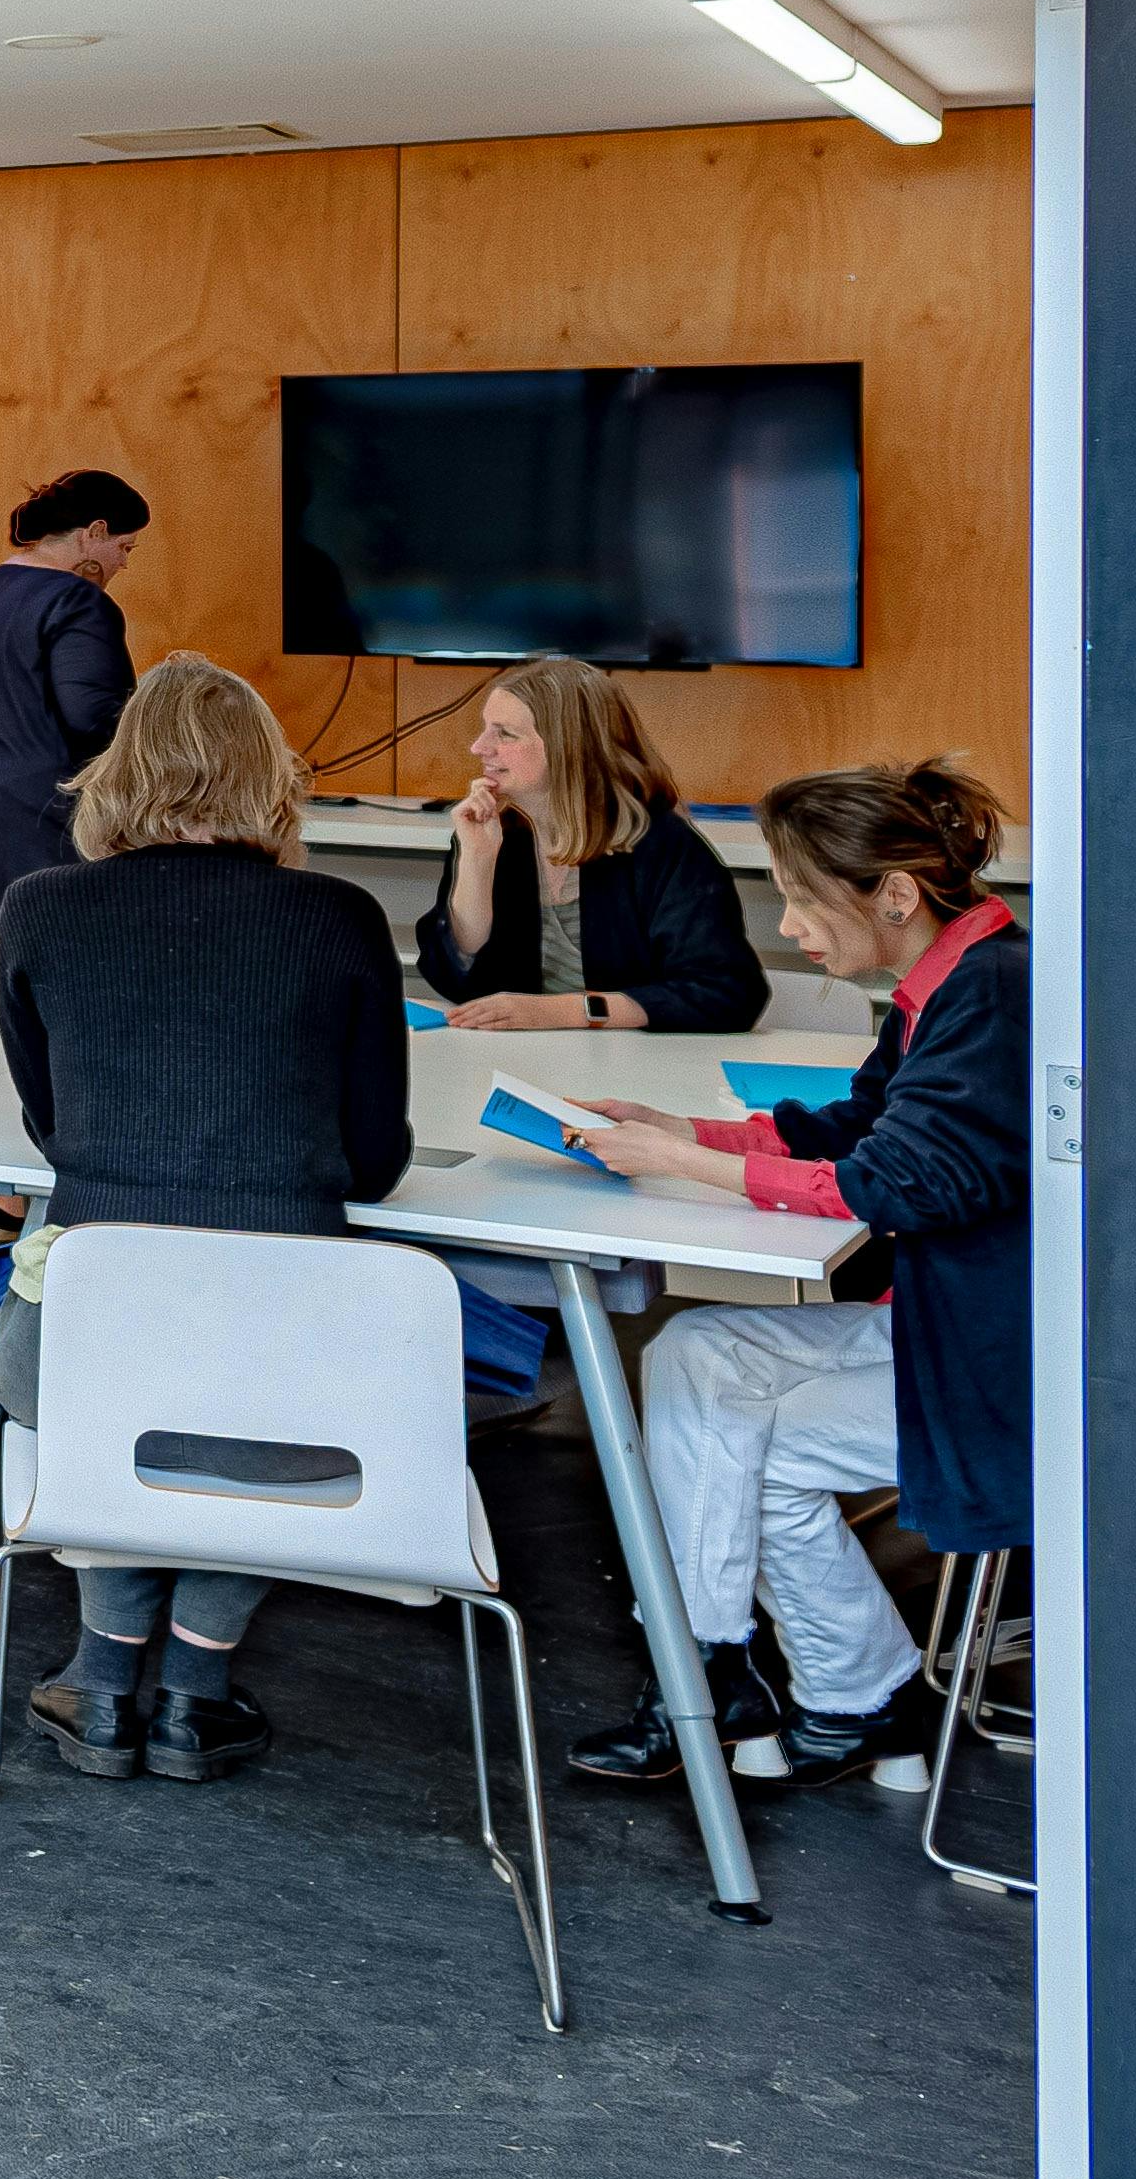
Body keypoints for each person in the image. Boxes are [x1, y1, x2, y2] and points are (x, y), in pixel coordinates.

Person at [551, 757, 1026, 1794]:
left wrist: (686, 1164)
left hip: (999, 1372)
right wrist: (687, 1129)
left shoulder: (990, 998)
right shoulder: (948, 984)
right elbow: (858, 1127)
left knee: (737, 1448)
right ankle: (778, 1681)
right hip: (945, 1328)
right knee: (692, 1346)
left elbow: (888, 1184)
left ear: (892, 896)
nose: (790, 931)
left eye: (804, 901)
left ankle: (757, 1679)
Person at [0, 653, 416, 1785]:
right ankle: (193, 1687)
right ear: (269, 783)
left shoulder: (35, 910)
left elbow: (48, 1123)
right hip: (284, 1355)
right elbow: (372, 1161)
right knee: (252, 1409)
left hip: (79, 1341)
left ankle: (97, 1678)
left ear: (114, 777)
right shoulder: (338, 917)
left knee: (118, 1402)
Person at [418, 655, 760, 1034]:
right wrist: (476, 863)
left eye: (505, 733)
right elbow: (454, 980)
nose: (479, 747)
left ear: (569, 746)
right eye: (485, 729)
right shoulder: (495, 833)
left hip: (634, 1069)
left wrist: (568, 1011)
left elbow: (727, 992)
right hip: (517, 1061)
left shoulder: (663, 846)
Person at [0, 472, 148, 924]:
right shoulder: (79, 602)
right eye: (124, 548)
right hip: (41, 820)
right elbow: (95, 719)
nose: (123, 564)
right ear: (94, 533)